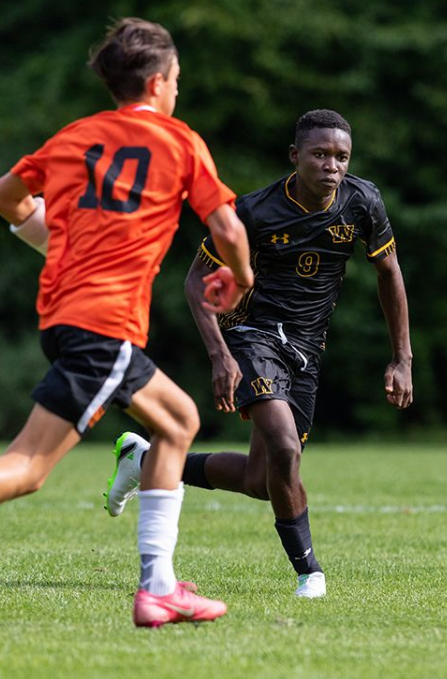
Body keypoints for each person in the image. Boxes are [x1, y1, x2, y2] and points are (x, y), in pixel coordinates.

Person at [0, 17, 254, 627]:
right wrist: (241, 278)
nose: (177, 90)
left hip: (66, 317)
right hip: (103, 322)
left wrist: (50, 240)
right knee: (28, 469)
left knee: (178, 420)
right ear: (159, 82)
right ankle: (158, 589)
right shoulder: (178, 141)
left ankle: (159, 588)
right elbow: (227, 227)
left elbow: (8, 195)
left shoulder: (74, 137)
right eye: (177, 79)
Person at [104, 109, 413, 598]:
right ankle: (310, 572)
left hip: (308, 348)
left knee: (261, 480)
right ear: (295, 156)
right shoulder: (254, 212)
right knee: (285, 449)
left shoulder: (363, 201)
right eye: (320, 154)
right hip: (253, 335)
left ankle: (143, 463)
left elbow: (389, 273)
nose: (332, 165)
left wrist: (402, 358)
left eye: (341, 156)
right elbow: (194, 282)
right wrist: (220, 355)